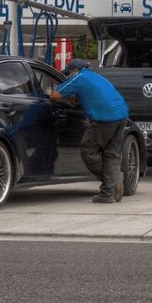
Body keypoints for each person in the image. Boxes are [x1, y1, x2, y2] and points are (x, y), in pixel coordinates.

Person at [50, 58, 130, 203]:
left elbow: (54, 95)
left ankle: (112, 181)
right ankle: (108, 194)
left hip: (105, 118)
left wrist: (64, 100)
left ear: (74, 71)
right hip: (122, 114)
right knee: (112, 154)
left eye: (68, 73)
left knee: (88, 150)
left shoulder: (78, 78)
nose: (67, 76)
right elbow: (93, 95)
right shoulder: (96, 76)